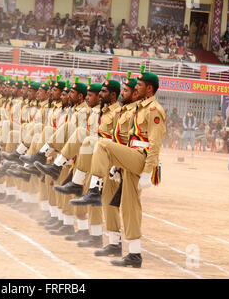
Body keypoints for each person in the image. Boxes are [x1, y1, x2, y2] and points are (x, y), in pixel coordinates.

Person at [70, 66, 166, 268]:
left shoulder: (154, 109)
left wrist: (148, 172)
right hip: (132, 157)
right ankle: (134, 254)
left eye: (139, 85)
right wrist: (117, 165)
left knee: (102, 144)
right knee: (130, 207)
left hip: (142, 158)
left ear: (150, 89)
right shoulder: (139, 107)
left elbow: (155, 144)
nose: (136, 88)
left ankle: (94, 188)